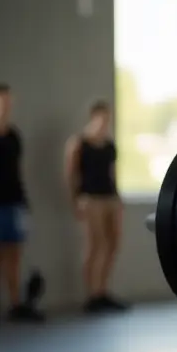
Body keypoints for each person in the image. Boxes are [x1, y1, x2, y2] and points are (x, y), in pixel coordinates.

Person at [64, 100, 129, 314]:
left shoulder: (109, 146)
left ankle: (102, 291)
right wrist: (76, 201)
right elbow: (71, 174)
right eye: (102, 118)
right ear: (93, 117)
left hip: (109, 197)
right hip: (90, 199)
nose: (105, 123)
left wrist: (118, 198)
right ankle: (91, 294)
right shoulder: (79, 143)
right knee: (95, 245)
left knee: (113, 244)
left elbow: (112, 173)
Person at [0, 85, 44, 323]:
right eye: (1, 101)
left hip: (13, 201)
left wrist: (24, 201)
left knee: (14, 255)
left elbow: (17, 171)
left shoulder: (14, 136)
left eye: (8, 102)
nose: (5, 106)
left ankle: (15, 304)